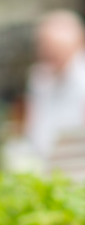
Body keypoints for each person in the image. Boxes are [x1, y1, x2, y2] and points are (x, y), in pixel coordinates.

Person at [24, 9, 85, 160]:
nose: (48, 54)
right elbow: (35, 129)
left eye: (55, 50)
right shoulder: (39, 78)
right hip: (48, 164)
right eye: (45, 48)